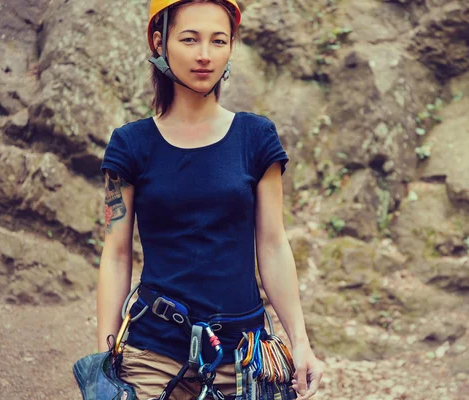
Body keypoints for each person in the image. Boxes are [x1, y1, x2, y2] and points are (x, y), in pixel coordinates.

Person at [96, 0, 323, 399]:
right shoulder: (130, 145)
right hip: (152, 356)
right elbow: (116, 254)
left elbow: (272, 244)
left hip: (245, 359)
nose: (205, 55)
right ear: (158, 41)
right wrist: (104, 355)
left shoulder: (256, 138)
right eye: (189, 39)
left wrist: (300, 341)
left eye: (219, 41)